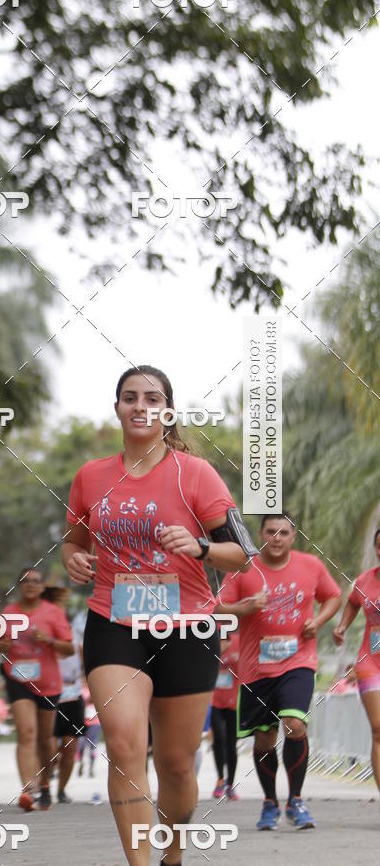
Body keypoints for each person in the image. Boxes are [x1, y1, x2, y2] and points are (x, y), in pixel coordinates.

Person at [63, 365, 257, 866]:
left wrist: (198, 547)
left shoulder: (196, 474)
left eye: (152, 398)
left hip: (187, 627)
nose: (140, 406)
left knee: (174, 763)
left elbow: (242, 553)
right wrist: (73, 558)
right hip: (114, 622)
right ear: (117, 408)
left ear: (167, 411)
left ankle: (172, 858)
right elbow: (74, 541)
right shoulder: (90, 476)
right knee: (125, 743)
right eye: (130, 397)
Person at [216, 511, 341, 831]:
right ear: (261, 535)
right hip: (256, 669)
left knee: (294, 724)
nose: (277, 538)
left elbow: (334, 597)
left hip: (298, 662)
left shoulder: (311, 566)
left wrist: (318, 621)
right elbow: (217, 605)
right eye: (271, 531)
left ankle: (296, 800)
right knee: (263, 738)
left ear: (293, 536)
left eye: (284, 532)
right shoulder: (244, 568)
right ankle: (270, 802)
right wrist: (243, 608)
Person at [0, 568, 74, 811]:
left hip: (48, 683)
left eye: (36, 581)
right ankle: (29, 789)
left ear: (41, 588)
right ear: (20, 586)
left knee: (45, 740)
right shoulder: (8, 613)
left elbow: (69, 649)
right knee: (26, 733)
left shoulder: (53, 613)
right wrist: (0, 645)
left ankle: (46, 783)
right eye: (26, 581)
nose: (31, 585)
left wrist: (48, 641)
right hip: (18, 679)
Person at [333, 527, 380, 792]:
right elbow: (352, 602)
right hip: (371, 661)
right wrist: (342, 627)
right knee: (378, 730)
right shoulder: (365, 581)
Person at [44, 582, 85, 804]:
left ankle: (61, 790)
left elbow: (89, 671)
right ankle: (45, 783)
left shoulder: (77, 645)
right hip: (48, 697)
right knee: (49, 748)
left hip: (73, 698)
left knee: (70, 749)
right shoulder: (42, 641)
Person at [210, 630, 240, 799]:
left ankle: (231, 785)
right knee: (219, 738)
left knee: (231, 743)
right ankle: (220, 779)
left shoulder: (239, 641)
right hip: (214, 700)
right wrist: (219, 650)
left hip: (234, 701)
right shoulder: (210, 636)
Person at [77, 683, 100, 777]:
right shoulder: (78, 688)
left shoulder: (96, 687)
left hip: (94, 721)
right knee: (81, 745)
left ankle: (91, 768)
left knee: (92, 745)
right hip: (82, 720)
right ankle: (81, 763)